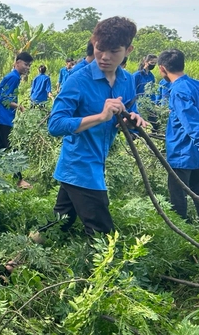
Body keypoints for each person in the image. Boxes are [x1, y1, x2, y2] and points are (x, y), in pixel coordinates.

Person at [46, 16, 146, 236]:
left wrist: (133, 121)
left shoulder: (127, 80)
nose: (105, 57)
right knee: (102, 234)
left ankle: (19, 257)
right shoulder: (78, 80)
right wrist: (100, 117)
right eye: (100, 49)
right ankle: (102, 271)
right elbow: (55, 125)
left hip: (96, 163)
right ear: (93, 43)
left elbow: (128, 113)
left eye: (114, 51)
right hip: (80, 165)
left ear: (129, 50)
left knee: (59, 222)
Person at [157, 49, 199, 222]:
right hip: (195, 155)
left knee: (177, 195)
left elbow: (192, 123)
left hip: (183, 152)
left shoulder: (178, 91)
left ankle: (180, 233)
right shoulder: (194, 84)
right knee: (196, 190)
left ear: (162, 68)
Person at [0, 51, 33, 189]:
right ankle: (19, 180)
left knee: (1, 148)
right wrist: (19, 107)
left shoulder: (13, 76)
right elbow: (4, 98)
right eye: (26, 64)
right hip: (3, 118)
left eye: (29, 65)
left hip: (1, 117)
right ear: (17, 63)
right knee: (12, 149)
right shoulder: (14, 77)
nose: (27, 68)